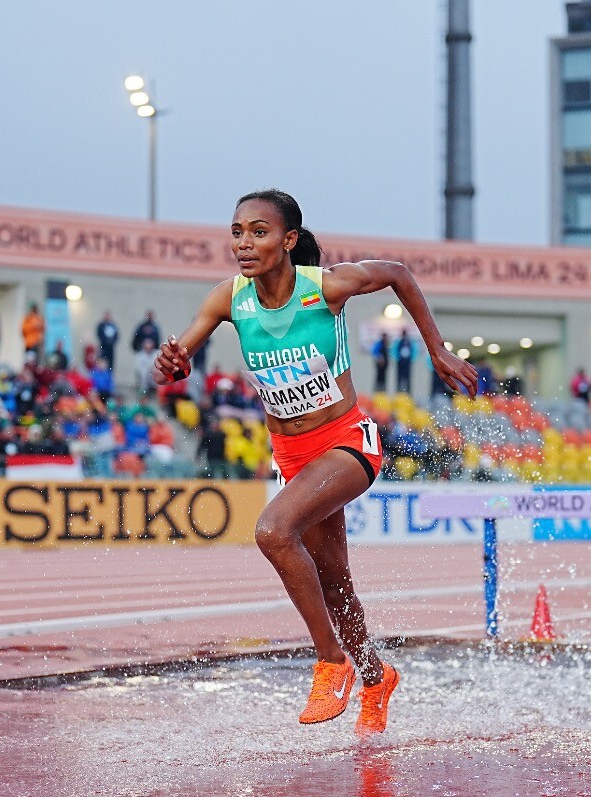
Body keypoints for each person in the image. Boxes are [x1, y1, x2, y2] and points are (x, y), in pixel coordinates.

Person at [153, 189, 476, 736]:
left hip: (347, 442)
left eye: (258, 232)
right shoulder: (229, 299)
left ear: (288, 240)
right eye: (237, 232)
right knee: (335, 587)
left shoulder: (324, 287)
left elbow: (398, 274)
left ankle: (331, 662)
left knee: (273, 531)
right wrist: (173, 364)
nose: (244, 243)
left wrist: (437, 349)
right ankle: (376, 677)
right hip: (292, 455)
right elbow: (178, 360)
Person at [392, 328, 416, 393]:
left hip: (407, 362)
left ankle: (408, 391)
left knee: (408, 378)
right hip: (400, 362)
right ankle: (398, 391)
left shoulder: (410, 342)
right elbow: (394, 350)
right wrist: (397, 358)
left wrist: (412, 359)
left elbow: (414, 351)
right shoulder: (399, 342)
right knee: (399, 377)